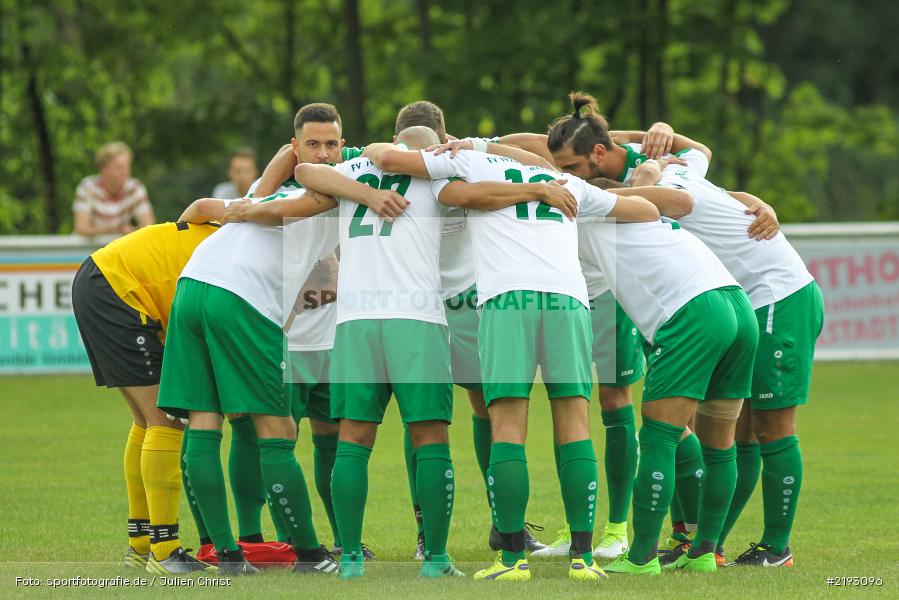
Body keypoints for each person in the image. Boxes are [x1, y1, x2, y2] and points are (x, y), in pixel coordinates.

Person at [363, 138, 659, 582]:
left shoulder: (467, 161)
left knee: (507, 428)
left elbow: (391, 159)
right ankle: (583, 559)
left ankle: (512, 559)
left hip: (506, 299)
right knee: (575, 424)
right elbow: (647, 211)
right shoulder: (564, 181)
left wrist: (378, 154)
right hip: (568, 299)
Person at [547, 92, 822, 568]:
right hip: (736, 298)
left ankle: (776, 547)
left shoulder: (654, 180)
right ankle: (703, 546)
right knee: (727, 432)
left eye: (571, 168)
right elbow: (705, 162)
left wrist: (615, 188)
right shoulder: (662, 166)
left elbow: (684, 198)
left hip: (774, 292)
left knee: (767, 427)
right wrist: (650, 139)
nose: (566, 177)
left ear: (599, 155)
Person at [71, 220, 219, 574]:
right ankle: (165, 553)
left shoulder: (233, 223)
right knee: (165, 420)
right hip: (118, 288)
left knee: (144, 421)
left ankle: (140, 547)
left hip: (103, 276)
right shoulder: (253, 247)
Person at [74, 141, 155, 236]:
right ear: (104, 169)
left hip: (121, 244)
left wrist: (129, 231)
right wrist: (115, 230)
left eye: (127, 166)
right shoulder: (87, 187)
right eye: (120, 167)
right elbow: (81, 228)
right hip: (90, 246)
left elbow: (149, 226)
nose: (125, 172)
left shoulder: (135, 188)